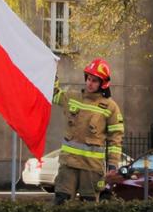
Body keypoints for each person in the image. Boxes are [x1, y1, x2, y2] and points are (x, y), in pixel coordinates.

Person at [52, 59, 125, 204]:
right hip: (68, 164)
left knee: (88, 206)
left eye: (95, 81)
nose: (90, 83)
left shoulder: (110, 107)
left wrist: (112, 164)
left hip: (91, 167)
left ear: (103, 83)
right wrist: (51, 74)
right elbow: (54, 94)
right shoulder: (73, 98)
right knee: (61, 202)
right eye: (89, 79)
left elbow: (115, 138)